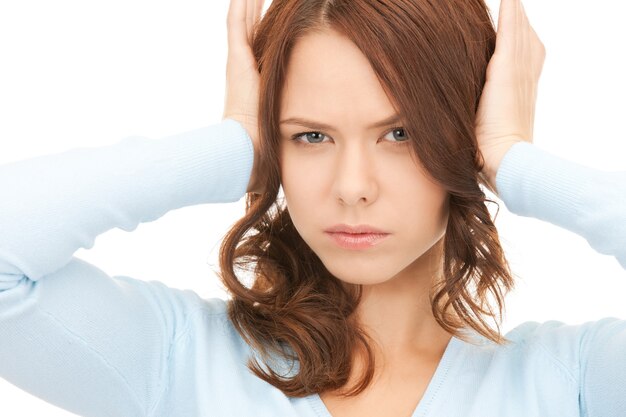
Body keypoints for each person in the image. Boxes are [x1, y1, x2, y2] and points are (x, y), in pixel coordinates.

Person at [0, 0, 624, 417]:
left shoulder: (572, 381)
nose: (353, 186)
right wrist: (232, 142)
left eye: (401, 134)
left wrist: (515, 162)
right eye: (311, 136)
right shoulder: (173, 356)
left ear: (466, 135)